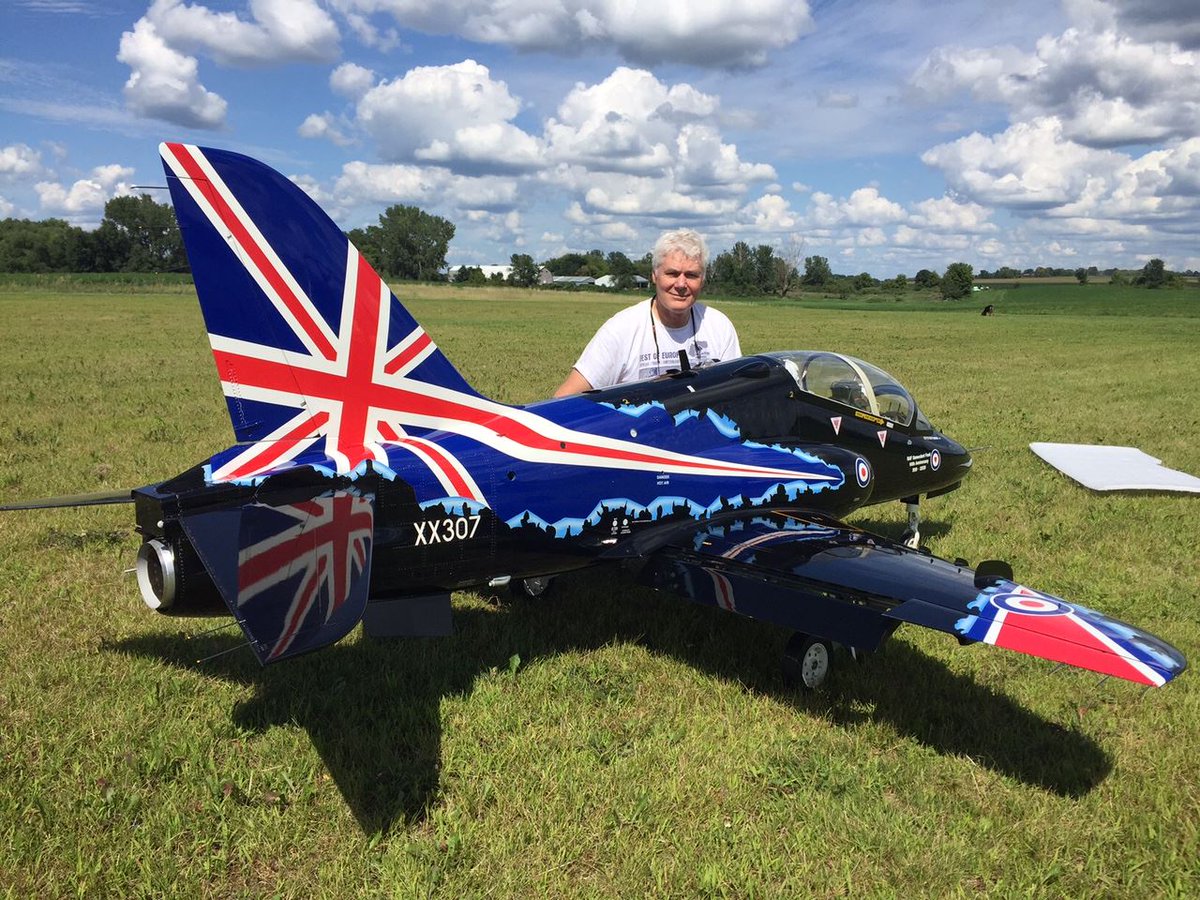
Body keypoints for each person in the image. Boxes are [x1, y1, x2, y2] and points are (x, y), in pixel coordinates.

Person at [553, 229, 741, 396]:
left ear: (703, 280)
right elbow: (564, 399)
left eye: (691, 275)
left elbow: (737, 392)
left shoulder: (719, 326)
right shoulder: (621, 330)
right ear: (654, 275)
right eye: (672, 273)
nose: (681, 284)